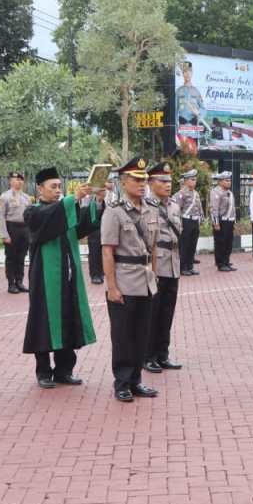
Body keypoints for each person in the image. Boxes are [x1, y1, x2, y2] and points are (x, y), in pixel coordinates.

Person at [23, 167, 102, 388]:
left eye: (60, 187)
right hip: (45, 279)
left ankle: (64, 370)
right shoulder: (32, 212)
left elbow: (84, 226)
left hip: (68, 277)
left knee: (69, 318)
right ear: (39, 189)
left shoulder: (65, 209)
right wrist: (72, 199)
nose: (58, 191)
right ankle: (43, 372)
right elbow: (49, 219)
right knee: (43, 321)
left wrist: (97, 201)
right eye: (53, 187)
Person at [101, 156, 159, 402]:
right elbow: (107, 251)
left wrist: (154, 276)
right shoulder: (114, 212)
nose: (142, 183)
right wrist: (112, 286)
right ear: (123, 182)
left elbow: (153, 248)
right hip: (124, 281)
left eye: (144, 179)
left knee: (141, 334)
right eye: (136, 179)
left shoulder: (150, 209)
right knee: (123, 336)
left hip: (145, 281)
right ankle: (122, 383)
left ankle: (136, 380)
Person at [144, 161, 184, 374]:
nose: (168, 185)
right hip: (155, 264)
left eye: (170, 181)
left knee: (167, 312)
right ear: (150, 183)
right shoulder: (145, 206)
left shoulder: (174, 206)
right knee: (152, 313)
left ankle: (163, 354)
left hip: (172, 263)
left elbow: (179, 233)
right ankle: (148, 356)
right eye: (162, 181)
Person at [0, 171, 31, 293]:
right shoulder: (4, 196)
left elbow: (30, 216)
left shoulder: (27, 197)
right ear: (10, 181)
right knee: (11, 257)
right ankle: (11, 283)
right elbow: (0, 216)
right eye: (16, 179)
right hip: (11, 228)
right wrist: (4, 234)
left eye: (21, 179)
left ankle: (19, 281)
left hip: (24, 229)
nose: (19, 182)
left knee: (21, 257)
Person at [173, 169, 202, 276]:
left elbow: (199, 207)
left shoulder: (196, 193)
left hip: (194, 220)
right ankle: (183, 267)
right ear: (185, 181)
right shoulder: (180, 194)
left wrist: (201, 217)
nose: (194, 182)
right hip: (185, 221)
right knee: (184, 245)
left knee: (192, 245)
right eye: (192, 179)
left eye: (195, 180)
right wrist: (179, 224)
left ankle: (190, 266)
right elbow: (177, 210)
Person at [209, 171, 236, 271]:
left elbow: (232, 208)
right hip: (221, 222)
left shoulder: (229, 193)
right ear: (220, 182)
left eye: (230, 180)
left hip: (229, 221)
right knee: (221, 243)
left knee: (228, 243)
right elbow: (214, 209)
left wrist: (234, 221)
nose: (229, 182)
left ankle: (226, 261)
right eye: (226, 180)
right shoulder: (216, 192)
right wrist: (215, 223)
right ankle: (220, 264)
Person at [83, 184, 108, 284]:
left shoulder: (108, 200)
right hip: (93, 232)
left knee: (103, 253)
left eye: (105, 190)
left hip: (105, 231)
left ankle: (101, 273)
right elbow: (87, 215)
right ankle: (95, 275)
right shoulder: (90, 200)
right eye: (102, 190)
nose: (104, 192)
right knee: (94, 253)